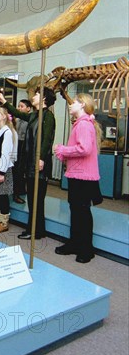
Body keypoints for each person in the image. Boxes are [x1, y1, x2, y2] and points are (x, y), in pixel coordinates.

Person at [0, 87, 56, 240]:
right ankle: (36, 229)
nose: (33, 96)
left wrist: (41, 158)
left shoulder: (48, 116)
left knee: (36, 198)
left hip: (39, 163)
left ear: (44, 98)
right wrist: (4, 101)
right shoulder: (34, 115)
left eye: (36, 94)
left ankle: (35, 230)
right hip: (30, 163)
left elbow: (47, 139)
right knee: (32, 198)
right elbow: (18, 114)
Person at [54, 94, 102, 263]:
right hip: (79, 174)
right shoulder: (82, 124)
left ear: (82, 104)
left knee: (81, 212)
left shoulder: (83, 125)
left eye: (73, 102)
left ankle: (86, 249)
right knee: (77, 211)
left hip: (83, 176)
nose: (70, 105)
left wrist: (62, 150)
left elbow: (84, 149)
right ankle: (76, 244)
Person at [12, 99, 32, 204]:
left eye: (22, 106)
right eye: (18, 106)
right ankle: (16, 191)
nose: (19, 108)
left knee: (20, 171)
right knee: (15, 170)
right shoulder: (17, 119)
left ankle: (18, 193)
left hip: (24, 146)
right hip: (16, 145)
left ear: (28, 109)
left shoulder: (30, 120)